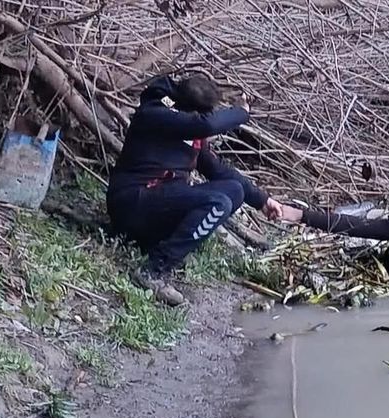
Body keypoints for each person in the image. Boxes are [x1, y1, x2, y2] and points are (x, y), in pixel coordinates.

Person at [107, 74, 282, 305]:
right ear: (192, 111)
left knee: (234, 190)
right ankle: (154, 269)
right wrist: (242, 113)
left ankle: (160, 245)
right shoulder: (155, 114)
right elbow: (206, 125)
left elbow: (217, 170)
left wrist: (261, 200)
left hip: (158, 205)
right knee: (218, 203)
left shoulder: (190, 132)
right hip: (132, 204)